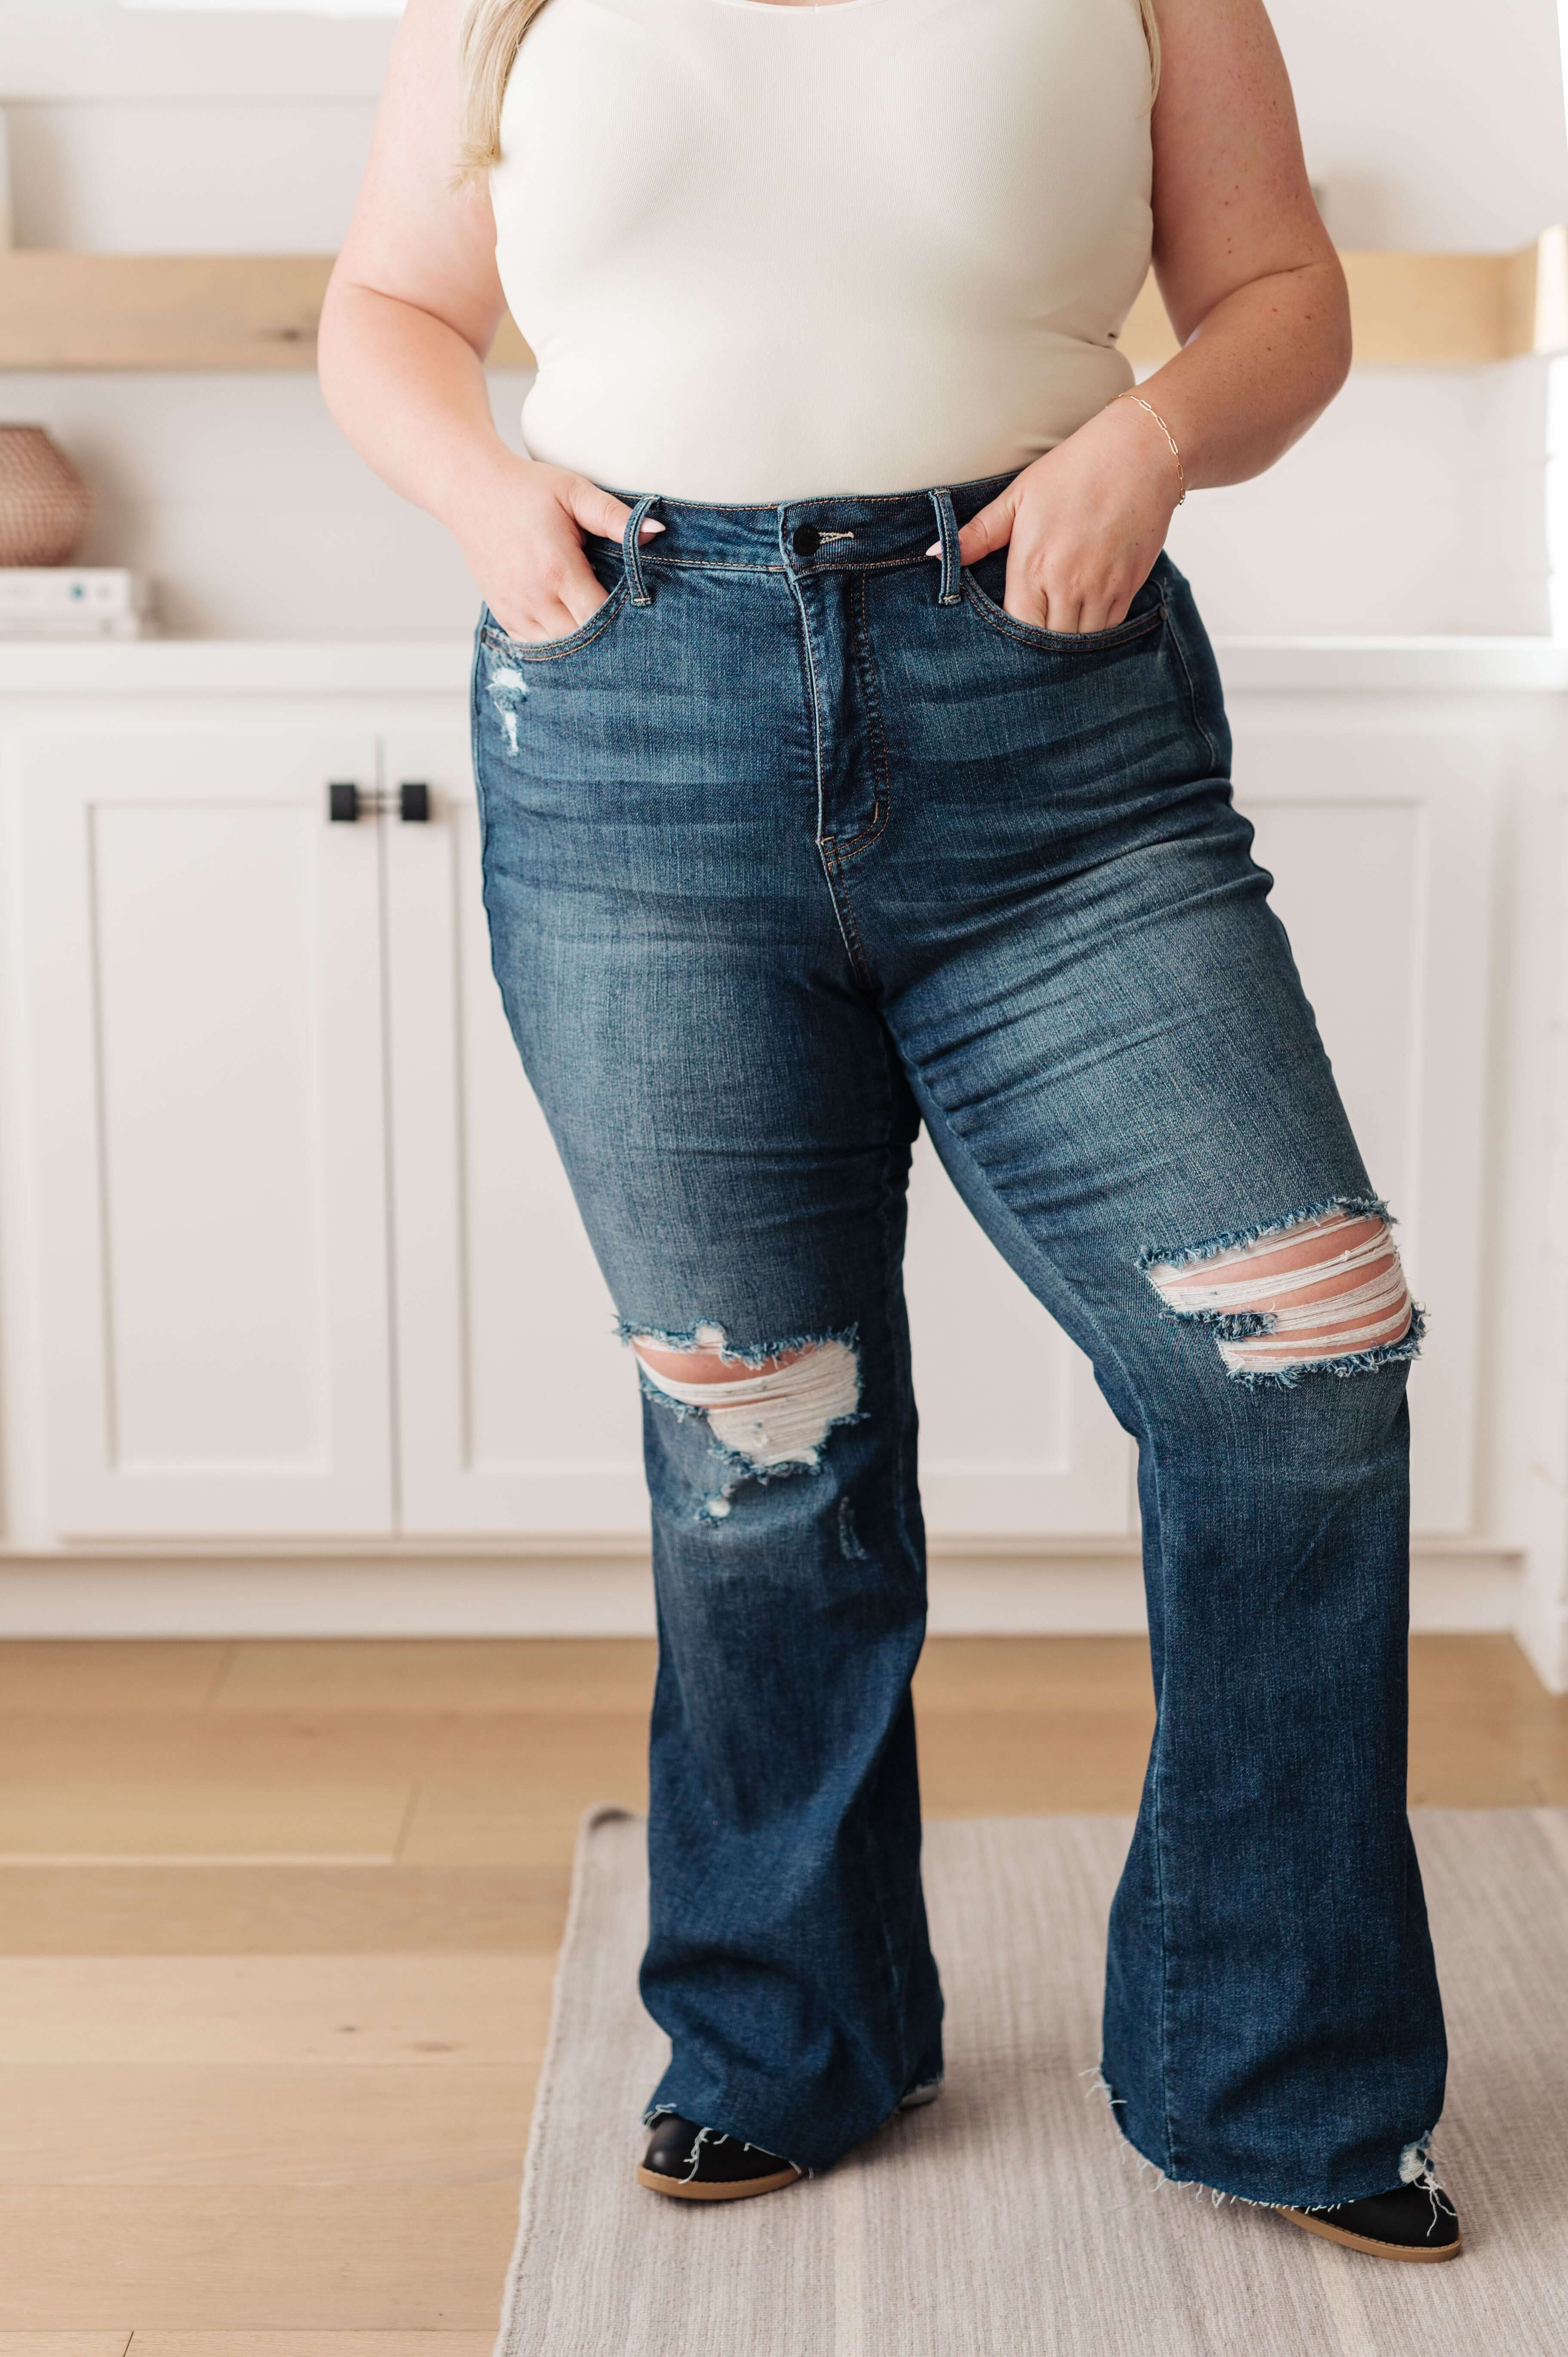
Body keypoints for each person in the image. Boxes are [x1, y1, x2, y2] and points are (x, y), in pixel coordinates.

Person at [319, 0, 1461, 2264]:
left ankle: (1279, 2070)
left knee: (1301, 1365)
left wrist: (1150, 443)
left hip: (1052, 719)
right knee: (765, 1434)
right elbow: (389, 307)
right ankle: (777, 2035)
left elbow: (1282, 295)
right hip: (633, 721)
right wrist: (479, 489)